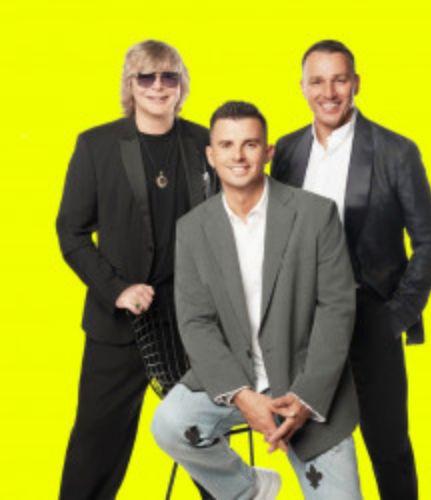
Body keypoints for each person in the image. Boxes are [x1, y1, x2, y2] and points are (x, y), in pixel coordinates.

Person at [151, 101, 362, 499]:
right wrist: (242, 395)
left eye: (250, 144)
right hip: (233, 382)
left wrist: (307, 397)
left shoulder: (316, 215)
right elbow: (195, 321)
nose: (238, 155)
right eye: (227, 145)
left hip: (306, 388)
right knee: (169, 424)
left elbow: (337, 310)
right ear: (211, 155)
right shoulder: (192, 229)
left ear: (268, 152)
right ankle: (248, 488)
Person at [271, 40, 431, 499]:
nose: (328, 92)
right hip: (304, 325)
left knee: (389, 448)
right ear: (302, 87)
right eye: (317, 81)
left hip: (370, 320)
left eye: (339, 79)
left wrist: (395, 318)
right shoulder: (287, 150)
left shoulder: (396, 151)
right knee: (315, 444)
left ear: (356, 84)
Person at [56, 40, 216, 500]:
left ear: (181, 84)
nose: (158, 86)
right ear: (131, 84)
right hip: (118, 324)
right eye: (146, 76)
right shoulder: (96, 145)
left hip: (189, 323)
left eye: (169, 76)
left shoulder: (204, 142)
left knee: (205, 438)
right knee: (95, 448)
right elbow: (70, 231)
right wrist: (117, 289)